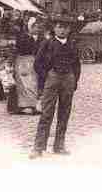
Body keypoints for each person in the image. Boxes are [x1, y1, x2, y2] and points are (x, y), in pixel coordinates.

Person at [30, 17, 81, 159]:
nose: (62, 30)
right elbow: (37, 63)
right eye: (59, 27)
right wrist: (46, 76)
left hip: (68, 79)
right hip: (52, 78)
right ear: (54, 28)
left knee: (64, 113)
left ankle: (59, 146)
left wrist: (74, 80)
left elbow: (77, 65)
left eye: (65, 27)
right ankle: (38, 147)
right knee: (47, 113)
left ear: (69, 30)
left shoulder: (72, 44)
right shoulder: (47, 44)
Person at [11, 17, 43, 114]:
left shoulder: (41, 38)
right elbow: (19, 49)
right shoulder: (23, 37)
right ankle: (25, 106)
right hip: (23, 62)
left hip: (34, 62)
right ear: (30, 27)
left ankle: (33, 105)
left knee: (33, 84)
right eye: (36, 27)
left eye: (39, 27)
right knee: (24, 84)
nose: (38, 29)